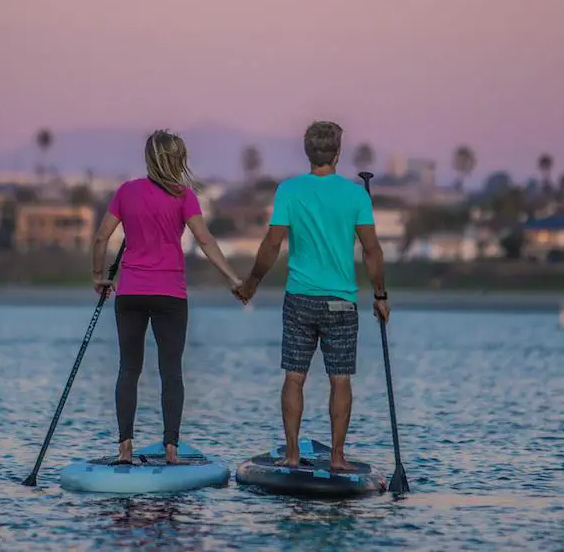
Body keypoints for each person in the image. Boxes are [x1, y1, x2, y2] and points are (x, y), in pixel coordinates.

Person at [234, 120, 389, 471]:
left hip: (300, 298)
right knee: (340, 379)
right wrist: (380, 295)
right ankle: (336, 457)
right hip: (340, 302)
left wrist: (252, 283)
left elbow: (272, 243)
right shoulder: (356, 195)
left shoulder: (289, 190)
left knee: (294, 376)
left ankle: (291, 455)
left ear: (308, 152)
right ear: (338, 152)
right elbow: (372, 250)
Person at [91, 129, 241, 465]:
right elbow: (204, 240)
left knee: (129, 369)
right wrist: (233, 279)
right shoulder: (183, 196)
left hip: (130, 292)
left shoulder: (126, 192)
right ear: (178, 159)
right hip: (170, 294)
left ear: (149, 158)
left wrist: (98, 276)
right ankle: (171, 449)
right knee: (171, 371)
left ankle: (125, 449)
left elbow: (102, 238)